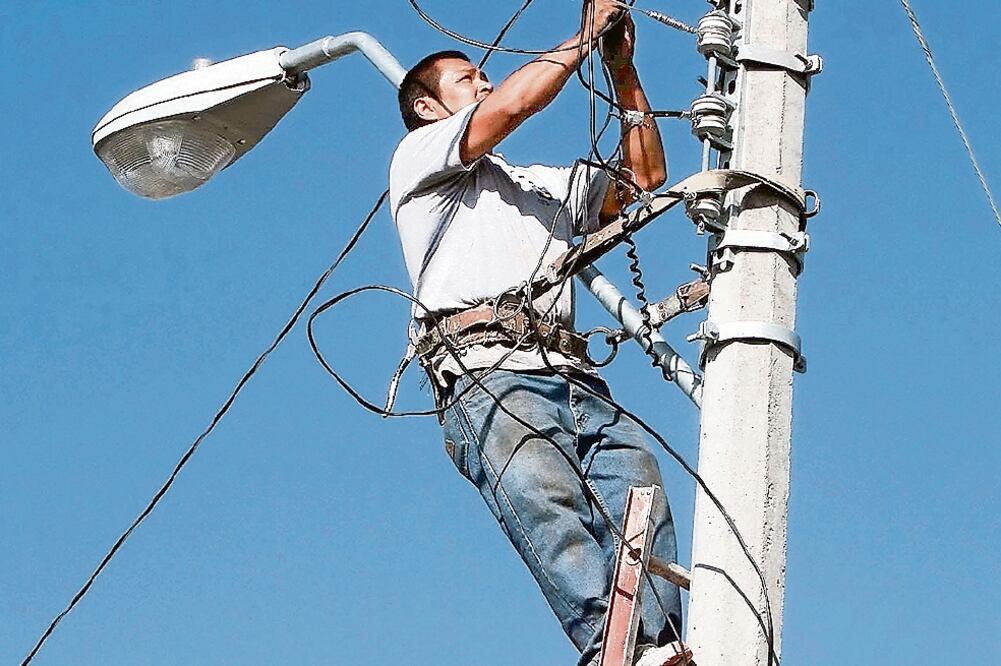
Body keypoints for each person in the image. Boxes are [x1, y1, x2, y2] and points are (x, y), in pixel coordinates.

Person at [389, 2, 688, 664]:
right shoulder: (421, 159)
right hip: (486, 374)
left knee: (640, 488)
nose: (485, 83)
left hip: (572, 373)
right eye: (467, 79)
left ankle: (659, 648)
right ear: (431, 110)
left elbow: (642, 178)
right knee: (545, 503)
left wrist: (622, 68)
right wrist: (584, 37)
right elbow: (515, 106)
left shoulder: (534, 186)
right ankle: (604, 646)